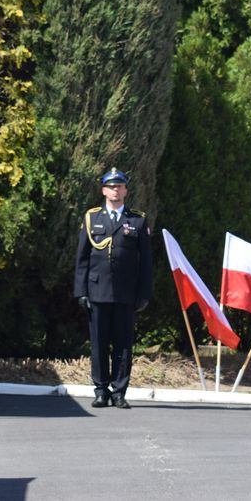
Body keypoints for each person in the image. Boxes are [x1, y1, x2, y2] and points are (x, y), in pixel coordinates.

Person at [74, 168, 152, 410]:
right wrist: (81, 291)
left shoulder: (137, 220)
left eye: (120, 186)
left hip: (126, 293)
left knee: (123, 344)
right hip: (97, 292)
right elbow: (82, 258)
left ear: (126, 190)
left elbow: (146, 262)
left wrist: (143, 294)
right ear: (104, 190)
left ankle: (119, 392)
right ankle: (100, 391)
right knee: (98, 344)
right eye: (111, 186)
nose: (115, 190)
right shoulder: (92, 218)